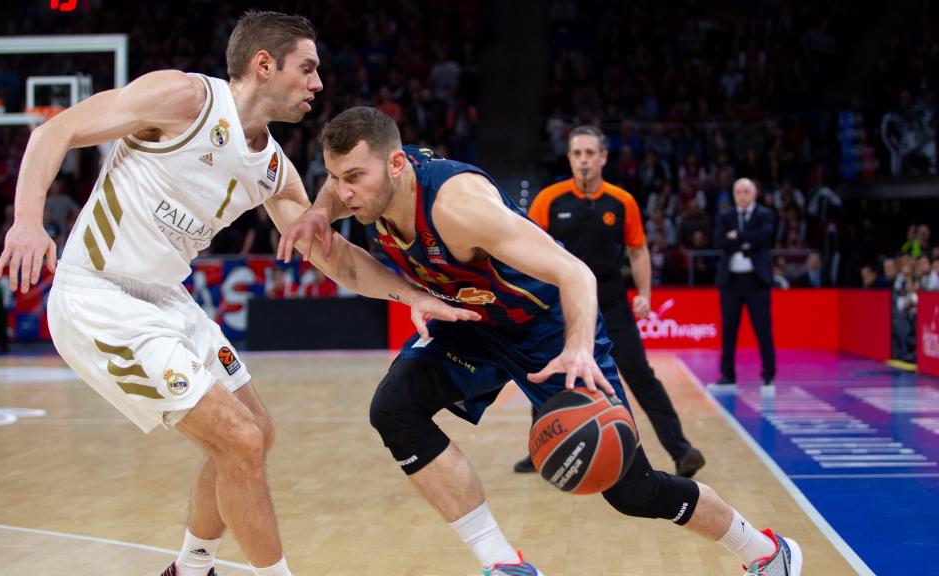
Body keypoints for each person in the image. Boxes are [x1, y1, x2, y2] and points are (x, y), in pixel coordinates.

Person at [0, 13, 476, 576]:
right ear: (263, 65)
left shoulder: (273, 169)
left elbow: (337, 259)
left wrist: (410, 294)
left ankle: (190, 567)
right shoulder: (184, 99)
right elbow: (54, 130)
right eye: (308, 68)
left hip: (166, 299)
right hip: (99, 298)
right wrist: (27, 221)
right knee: (241, 440)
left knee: (256, 433)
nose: (318, 84)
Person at [282, 107, 802, 576]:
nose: (344, 192)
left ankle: (764, 551)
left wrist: (577, 346)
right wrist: (320, 212)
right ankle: (504, 565)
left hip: (547, 327)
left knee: (632, 489)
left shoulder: (460, 207)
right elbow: (342, 218)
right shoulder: (368, 188)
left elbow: (576, 273)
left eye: (354, 179)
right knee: (393, 408)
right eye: (336, 179)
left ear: (397, 164)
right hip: (472, 321)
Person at [514, 125, 704, 479]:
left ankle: (681, 450)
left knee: (639, 374)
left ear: (603, 157)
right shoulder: (549, 199)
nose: (583, 160)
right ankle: (539, 451)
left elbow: (638, 249)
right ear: (569, 158)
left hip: (611, 299)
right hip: (561, 302)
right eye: (577, 154)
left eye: (590, 153)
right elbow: (529, 248)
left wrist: (645, 293)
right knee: (549, 374)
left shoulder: (622, 201)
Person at [713, 178, 777, 389]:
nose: (742, 195)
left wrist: (738, 236)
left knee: (762, 328)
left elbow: (765, 237)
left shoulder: (764, 214)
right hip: (731, 281)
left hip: (756, 281)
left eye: (746, 191)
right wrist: (748, 240)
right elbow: (719, 241)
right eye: (738, 192)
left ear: (754, 193)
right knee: (729, 329)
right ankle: (727, 374)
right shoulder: (725, 215)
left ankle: (768, 374)